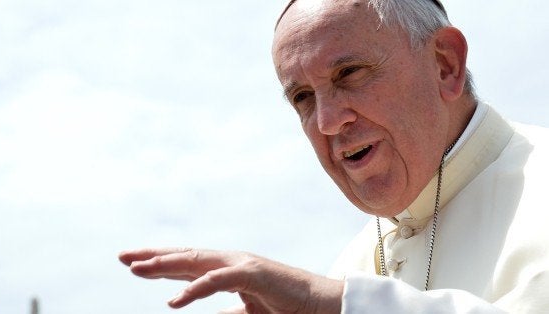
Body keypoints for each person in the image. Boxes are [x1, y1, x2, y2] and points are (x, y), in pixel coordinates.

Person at [119, 0, 549, 312]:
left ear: (445, 65)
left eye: (348, 74)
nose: (326, 122)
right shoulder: (352, 263)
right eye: (303, 97)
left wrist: (328, 304)